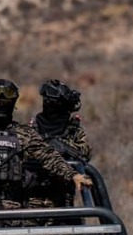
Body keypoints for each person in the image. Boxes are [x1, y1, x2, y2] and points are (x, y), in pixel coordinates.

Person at [0, 79, 92, 215]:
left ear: (14, 102)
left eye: (7, 99)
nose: (1, 103)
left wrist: (73, 175)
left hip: (18, 216)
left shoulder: (24, 133)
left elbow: (48, 156)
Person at [27, 79, 92, 208]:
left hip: (63, 202)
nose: (47, 104)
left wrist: (61, 147)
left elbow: (84, 154)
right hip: (31, 201)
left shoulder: (73, 131)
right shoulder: (30, 129)